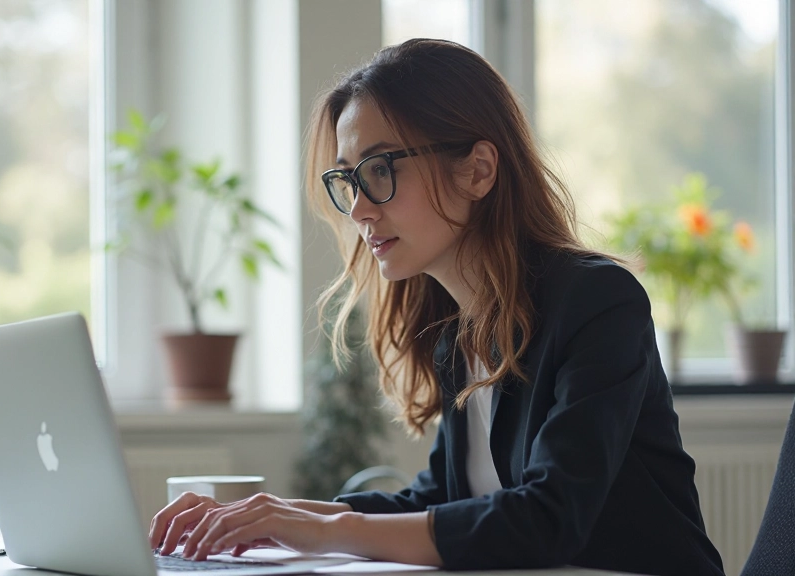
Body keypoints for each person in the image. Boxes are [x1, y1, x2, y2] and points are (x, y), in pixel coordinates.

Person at [147, 38, 725, 575]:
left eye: (380, 170)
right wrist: (275, 514)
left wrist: (325, 530)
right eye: (350, 180)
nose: (359, 211)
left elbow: (549, 517)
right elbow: (442, 500)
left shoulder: (598, 301)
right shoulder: (457, 333)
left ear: (478, 170)